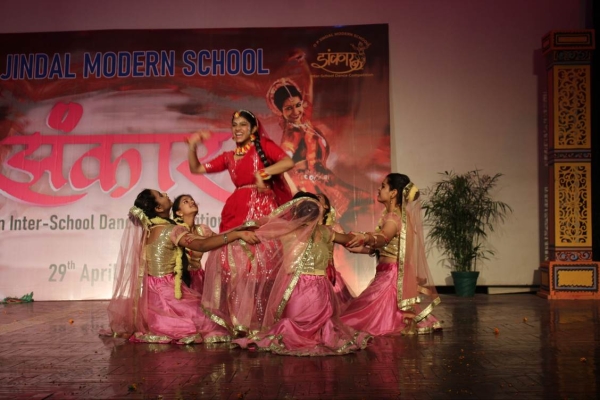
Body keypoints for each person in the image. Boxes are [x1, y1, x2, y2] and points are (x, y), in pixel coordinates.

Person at [102, 189, 259, 344]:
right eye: (160, 195)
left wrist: (236, 231)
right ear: (158, 208)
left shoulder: (148, 231)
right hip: (169, 294)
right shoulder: (172, 230)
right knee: (217, 322)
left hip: (150, 299)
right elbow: (202, 245)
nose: (165, 194)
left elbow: (205, 240)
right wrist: (236, 235)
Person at [233, 192, 371, 356]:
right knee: (300, 324)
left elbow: (349, 240)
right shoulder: (288, 230)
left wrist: (372, 242)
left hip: (319, 290)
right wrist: (237, 233)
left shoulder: (324, 231)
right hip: (299, 289)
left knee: (320, 324)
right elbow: (256, 235)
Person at [341, 173, 442, 336]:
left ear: (394, 193)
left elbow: (384, 238)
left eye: (383, 186)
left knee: (354, 320)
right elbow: (388, 247)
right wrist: (362, 248)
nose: (379, 189)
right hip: (389, 272)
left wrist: (365, 237)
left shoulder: (393, 217)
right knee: (359, 315)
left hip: (390, 277)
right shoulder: (398, 215)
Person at [266, 78, 372, 225]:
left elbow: (308, 94)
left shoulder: (306, 123)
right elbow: (283, 164)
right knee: (323, 225)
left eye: (298, 105)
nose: (295, 111)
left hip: (324, 180)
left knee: (359, 208)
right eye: (288, 108)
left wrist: (305, 70)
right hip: (308, 186)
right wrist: (294, 193)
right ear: (281, 111)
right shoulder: (291, 134)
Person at [187, 109, 294, 232]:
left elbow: (288, 162)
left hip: (262, 206)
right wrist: (192, 145)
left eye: (243, 124)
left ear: (253, 129)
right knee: (234, 242)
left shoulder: (264, 145)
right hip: (237, 208)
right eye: (234, 125)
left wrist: (263, 173)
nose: (237, 128)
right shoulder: (228, 157)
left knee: (262, 242)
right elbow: (196, 168)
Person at [316, 192, 354, 310]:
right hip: (308, 277)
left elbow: (350, 244)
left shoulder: (333, 228)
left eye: (318, 198)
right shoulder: (305, 228)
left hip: (328, 276)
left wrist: (371, 245)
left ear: (326, 206)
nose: (314, 199)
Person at [172, 194, 215, 294]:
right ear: (179, 212)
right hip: (179, 279)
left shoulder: (203, 229)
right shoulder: (175, 230)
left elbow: (220, 240)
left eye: (192, 200)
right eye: (186, 201)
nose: (192, 202)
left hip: (199, 278)